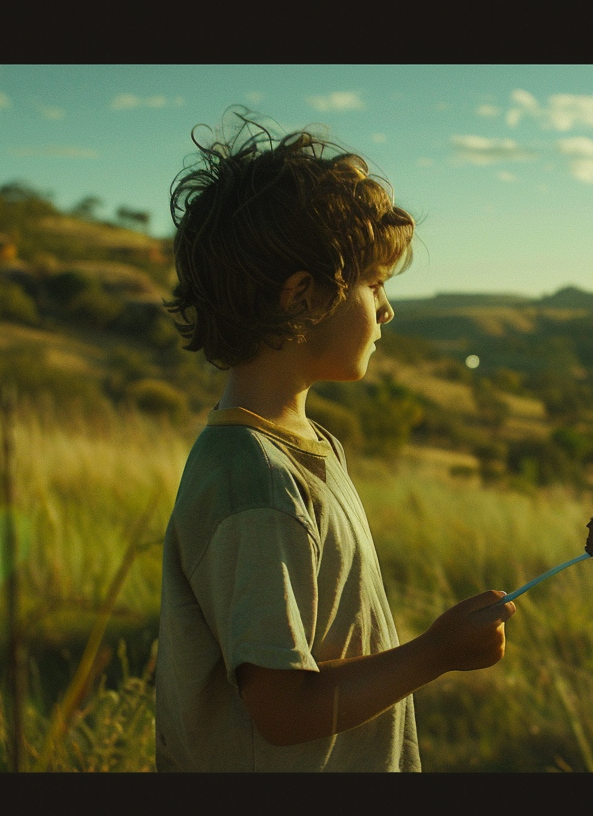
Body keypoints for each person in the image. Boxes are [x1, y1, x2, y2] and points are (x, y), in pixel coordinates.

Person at [154, 113, 516, 772]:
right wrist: (435, 653)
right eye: (374, 283)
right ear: (301, 297)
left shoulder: (305, 446)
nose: (386, 310)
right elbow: (282, 710)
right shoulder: (254, 482)